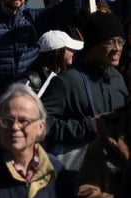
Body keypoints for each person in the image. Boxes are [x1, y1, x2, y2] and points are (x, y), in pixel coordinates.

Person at [41, 11, 130, 167]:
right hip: (78, 175)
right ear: (92, 45)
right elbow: (40, 123)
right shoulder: (67, 81)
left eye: (120, 41)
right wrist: (88, 126)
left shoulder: (117, 78)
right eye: (109, 42)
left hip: (116, 176)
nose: (117, 48)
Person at [20, 30, 84, 96]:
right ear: (58, 52)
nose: (74, 52)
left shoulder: (63, 76)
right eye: (70, 48)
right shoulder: (31, 81)